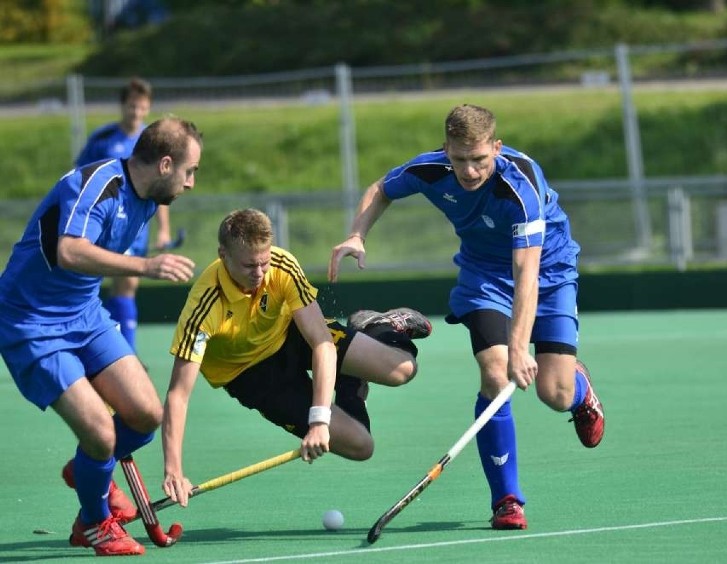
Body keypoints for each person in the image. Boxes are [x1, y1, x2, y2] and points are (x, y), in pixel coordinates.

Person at [328, 104, 605, 531]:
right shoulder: (432, 169)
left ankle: (579, 388)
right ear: (446, 150)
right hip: (484, 277)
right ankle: (507, 500)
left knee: (554, 391)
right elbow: (382, 188)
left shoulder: (520, 185)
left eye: (479, 160)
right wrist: (356, 233)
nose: (470, 171)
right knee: (496, 378)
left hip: (548, 272)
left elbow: (526, 274)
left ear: (496, 147)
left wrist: (519, 347)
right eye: (460, 160)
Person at [0, 116, 203, 556]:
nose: (191, 184)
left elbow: (98, 264)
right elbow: (69, 251)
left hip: (86, 315)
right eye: (190, 171)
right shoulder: (96, 184)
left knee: (147, 414)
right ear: (166, 164)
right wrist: (146, 266)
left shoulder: (149, 199)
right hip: (31, 322)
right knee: (100, 433)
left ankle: (87, 469)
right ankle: (93, 522)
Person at [160, 208, 432, 508]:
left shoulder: (282, 264)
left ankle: (376, 327)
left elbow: (321, 344)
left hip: (292, 334)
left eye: (264, 263)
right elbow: (178, 395)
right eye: (249, 265)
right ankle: (348, 379)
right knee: (361, 446)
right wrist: (174, 470)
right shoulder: (204, 307)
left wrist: (319, 420)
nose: (260, 273)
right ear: (223, 255)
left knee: (403, 369)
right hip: (251, 376)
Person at [76, 76, 171, 352]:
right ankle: (96, 345)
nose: (136, 113)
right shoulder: (103, 140)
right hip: (99, 224)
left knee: (127, 284)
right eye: (132, 106)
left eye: (142, 107)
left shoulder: (152, 143)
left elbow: (161, 191)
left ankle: (127, 354)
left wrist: (163, 229)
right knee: (87, 285)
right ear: (122, 106)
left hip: (134, 227)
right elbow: (79, 179)